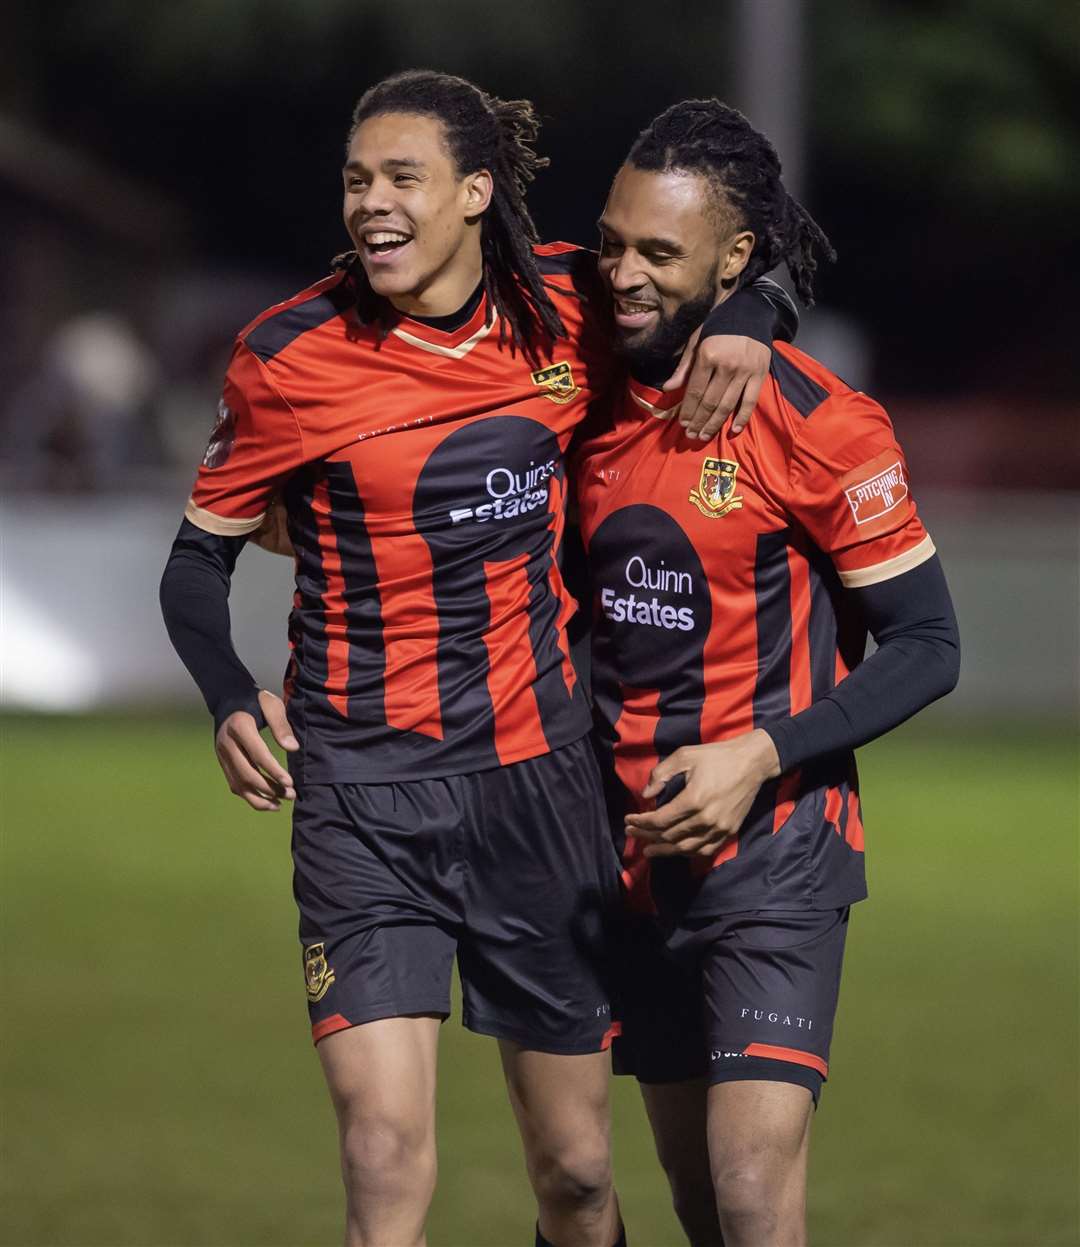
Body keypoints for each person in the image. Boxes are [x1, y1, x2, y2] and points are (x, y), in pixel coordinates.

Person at [160, 71, 792, 1247]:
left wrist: (755, 316)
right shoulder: (286, 355)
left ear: (474, 192)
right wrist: (224, 688)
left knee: (579, 1176)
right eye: (357, 180)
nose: (371, 203)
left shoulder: (566, 303)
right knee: (385, 1157)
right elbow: (195, 565)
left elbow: (717, 273)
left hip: (535, 789)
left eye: (403, 178)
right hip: (359, 796)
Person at [574, 99, 960, 1247]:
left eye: (658, 253)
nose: (622, 274)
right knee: (696, 1202)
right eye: (612, 242)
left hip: (779, 856)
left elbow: (931, 643)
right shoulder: (575, 399)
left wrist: (761, 752)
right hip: (624, 856)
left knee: (750, 1190)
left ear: (736, 258)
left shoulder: (821, 422)